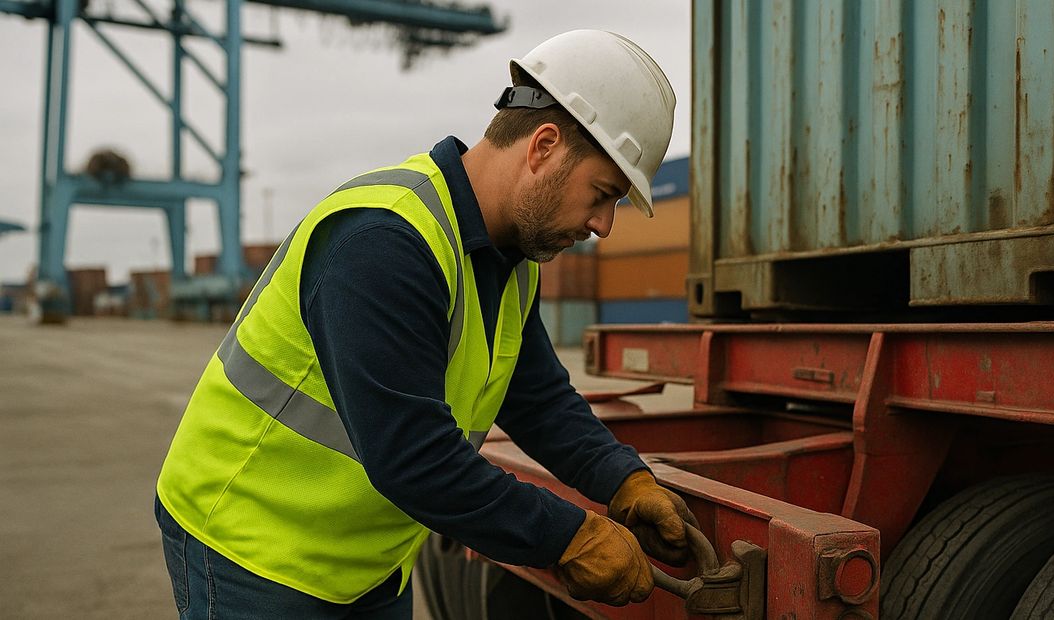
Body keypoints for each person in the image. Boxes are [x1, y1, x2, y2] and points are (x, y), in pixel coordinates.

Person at [153, 29, 697, 618]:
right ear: (542, 146)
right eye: (603, 193)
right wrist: (570, 537)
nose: (604, 225)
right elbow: (412, 455)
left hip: (367, 562)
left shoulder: (510, 262)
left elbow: (537, 399)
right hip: (251, 550)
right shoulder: (385, 241)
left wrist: (622, 479)